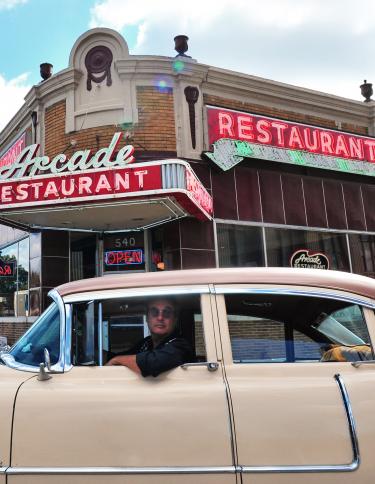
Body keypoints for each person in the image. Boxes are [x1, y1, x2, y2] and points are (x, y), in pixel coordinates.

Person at [106, 298, 194, 377]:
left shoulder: (181, 345)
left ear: (175, 319)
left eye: (167, 313)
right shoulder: (147, 343)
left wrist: (116, 360)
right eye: (154, 312)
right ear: (147, 318)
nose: (160, 317)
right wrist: (104, 355)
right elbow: (127, 356)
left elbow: (153, 363)